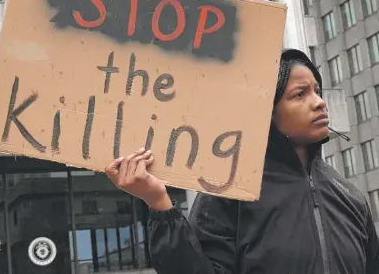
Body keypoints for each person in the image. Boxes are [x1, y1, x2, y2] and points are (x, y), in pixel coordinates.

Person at [105, 48, 379, 274]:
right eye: (300, 94)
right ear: (267, 112)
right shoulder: (231, 192)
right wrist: (159, 205)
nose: (319, 102)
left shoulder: (351, 198)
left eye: (317, 91)